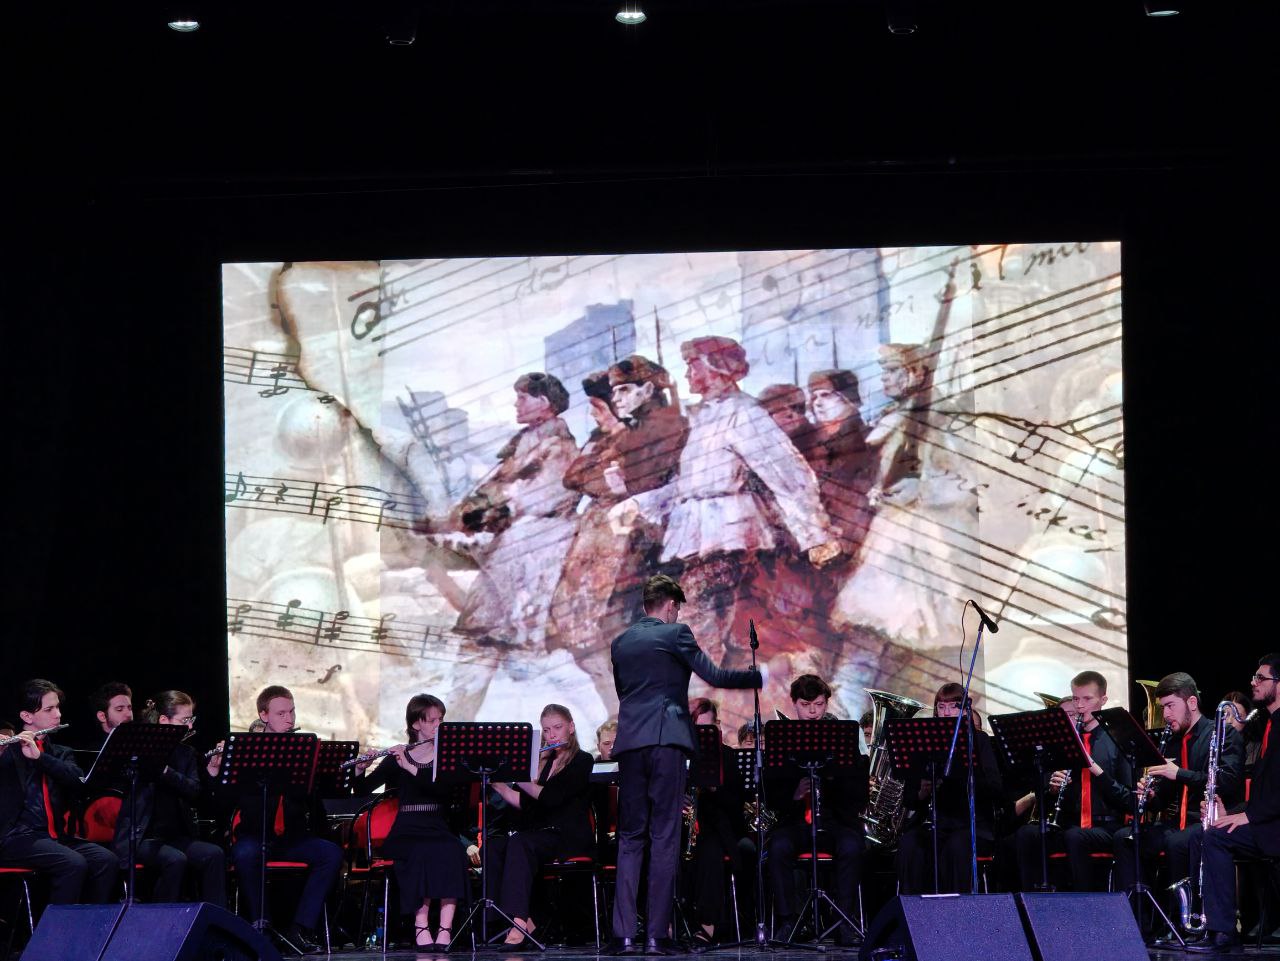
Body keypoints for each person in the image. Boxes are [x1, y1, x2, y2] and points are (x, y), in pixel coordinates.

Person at [652, 336, 839, 732]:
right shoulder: (705, 416)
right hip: (700, 536)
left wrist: (815, 533)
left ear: (717, 368)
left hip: (729, 535)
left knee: (700, 630)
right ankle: (709, 723)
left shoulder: (743, 413)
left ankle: (703, 721)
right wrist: (640, 505)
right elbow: (687, 485)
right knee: (703, 635)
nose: (688, 373)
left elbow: (787, 473)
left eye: (694, 364)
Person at [609, 574, 762, 955]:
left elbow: (624, 692)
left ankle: (624, 935)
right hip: (666, 741)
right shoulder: (676, 633)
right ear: (671, 605)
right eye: (677, 608)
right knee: (664, 836)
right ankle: (655, 936)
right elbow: (714, 675)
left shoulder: (620, 642)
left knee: (630, 837)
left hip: (630, 743)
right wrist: (756, 676)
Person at [550, 356, 689, 707]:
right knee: (590, 637)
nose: (614, 402)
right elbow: (575, 476)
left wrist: (619, 481)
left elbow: (647, 481)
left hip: (636, 542)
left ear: (647, 389)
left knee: (619, 632)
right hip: (605, 541)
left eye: (621, 392)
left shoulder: (662, 427)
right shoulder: (619, 434)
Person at [1111, 672, 1244, 939]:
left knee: (1178, 842)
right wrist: (1151, 796)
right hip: (1176, 823)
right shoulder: (1172, 740)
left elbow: (1227, 782)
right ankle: (1139, 924)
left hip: (1207, 819)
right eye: (1163, 708)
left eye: (1170, 706)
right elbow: (1165, 797)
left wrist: (1179, 773)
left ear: (1192, 703)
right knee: (1126, 838)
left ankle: (1183, 922)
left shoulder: (1222, 734)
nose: (1166, 715)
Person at [228, 685, 342, 954]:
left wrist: (347, 772)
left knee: (331, 853)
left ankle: (300, 929)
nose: (289, 719)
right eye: (281, 713)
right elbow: (227, 797)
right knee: (244, 853)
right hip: (255, 835)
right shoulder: (246, 751)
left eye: (292, 712)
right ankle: (261, 927)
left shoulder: (303, 751)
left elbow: (322, 791)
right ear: (264, 715)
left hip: (292, 839)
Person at [1185, 655, 1280, 954]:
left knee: (1215, 837)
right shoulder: (1270, 723)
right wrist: (1236, 813)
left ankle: (1224, 932)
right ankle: (1215, 928)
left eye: (1260, 678)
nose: (1253, 682)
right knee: (1210, 832)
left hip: (1274, 825)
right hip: (1267, 821)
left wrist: (1249, 816)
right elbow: (1268, 789)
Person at [763, 675, 868, 946]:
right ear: (794, 704)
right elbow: (770, 796)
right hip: (795, 821)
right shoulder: (783, 739)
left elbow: (860, 796)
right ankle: (788, 921)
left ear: (826, 703)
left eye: (819, 705)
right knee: (778, 847)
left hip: (836, 821)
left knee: (851, 846)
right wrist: (795, 794)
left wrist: (832, 781)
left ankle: (844, 920)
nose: (813, 712)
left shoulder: (844, 738)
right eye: (805, 705)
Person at [357, 694, 468, 950]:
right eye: (432, 720)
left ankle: (445, 928)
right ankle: (421, 926)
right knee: (421, 852)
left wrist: (409, 766)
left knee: (452, 849)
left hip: (437, 825)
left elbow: (442, 791)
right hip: (406, 830)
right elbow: (362, 790)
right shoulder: (399, 755)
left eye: (441, 719)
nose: (439, 725)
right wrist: (361, 768)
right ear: (416, 723)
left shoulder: (447, 756)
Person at [0, 679, 117, 905]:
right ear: (27, 716)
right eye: (49, 709)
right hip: (16, 838)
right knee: (73, 863)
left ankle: (90, 921)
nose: (58, 714)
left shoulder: (60, 753)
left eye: (58, 707)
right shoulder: (8, 752)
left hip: (54, 837)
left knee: (106, 860)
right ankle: (56, 926)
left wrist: (40, 758)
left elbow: (78, 781)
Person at [488, 704, 594, 950]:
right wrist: (497, 784)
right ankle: (512, 920)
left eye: (557, 727)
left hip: (567, 836)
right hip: (539, 836)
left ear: (571, 727)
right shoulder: (543, 763)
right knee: (494, 848)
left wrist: (519, 774)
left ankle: (518, 924)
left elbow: (551, 798)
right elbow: (524, 803)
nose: (552, 735)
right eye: (546, 730)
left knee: (520, 842)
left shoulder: (582, 760)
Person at [1014, 671, 1133, 892]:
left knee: (1075, 837)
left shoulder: (1118, 740)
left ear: (1103, 700)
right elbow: (1044, 795)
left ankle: (1084, 905)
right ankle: (1033, 903)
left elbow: (1128, 798)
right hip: (1069, 824)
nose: (1079, 705)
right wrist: (1052, 788)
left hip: (1106, 826)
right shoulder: (1063, 742)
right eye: (1076, 698)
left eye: (1087, 699)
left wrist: (1096, 770)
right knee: (1027, 834)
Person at [112, 691, 226, 907]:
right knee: (175, 860)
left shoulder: (186, 753)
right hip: (141, 837)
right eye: (184, 720)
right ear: (164, 720)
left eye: (191, 719)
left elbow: (194, 791)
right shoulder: (137, 751)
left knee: (214, 854)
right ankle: (161, 920)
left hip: (176, 837)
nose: (190, 726)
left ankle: (215, 921)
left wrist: (167, 771)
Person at [894, 682, 1002, 895]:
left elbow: (995, 788)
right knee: (910, 844)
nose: (946, 713)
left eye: (953, 707)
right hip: (935, 824)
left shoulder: (978, 740)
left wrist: (959, 776)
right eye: (941, 707)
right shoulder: (923, 741)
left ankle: (955, 911)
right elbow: (910, 799)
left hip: (970, 825)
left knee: (957, 846)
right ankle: (913, 910)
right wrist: (923, 792)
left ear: (965, 710)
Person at [684, 698, 751, 948]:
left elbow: (736, 805)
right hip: (683, 826)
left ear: (717, 726)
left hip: (717, 827)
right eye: (695, 728)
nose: (700, 734)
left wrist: (714, 788)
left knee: (710, 851)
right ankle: (666, 924)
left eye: (706, 729)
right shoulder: (678, 755)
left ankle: (708, 924)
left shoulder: (727, 756)